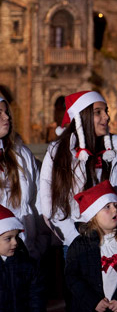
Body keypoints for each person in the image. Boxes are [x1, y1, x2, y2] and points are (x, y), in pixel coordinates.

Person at [40, 90, 117, 250]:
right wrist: (75, 240)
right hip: (77, 243)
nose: (106, 117)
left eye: (106, 111)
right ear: (81, 118)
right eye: (97, 112)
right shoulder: (59, 153)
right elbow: (50, 202)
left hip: (116, 244)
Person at [65, 181, 117, 312]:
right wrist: (93, 301)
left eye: (116, 205)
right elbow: (72, 277)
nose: (115, 209)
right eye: (107, 207)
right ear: (93, 215)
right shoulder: (80, 246)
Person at [0, 96, 44, 259]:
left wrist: (40, 243)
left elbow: (37, 200)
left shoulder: (22, 154)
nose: (7, 117)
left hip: (25, 249)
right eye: (0, 113)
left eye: (6, 113)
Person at [0, 204, 44, 312]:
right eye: (8, 238)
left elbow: (36, 297)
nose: (15, 242)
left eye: (16, 237)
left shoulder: (28, 265)